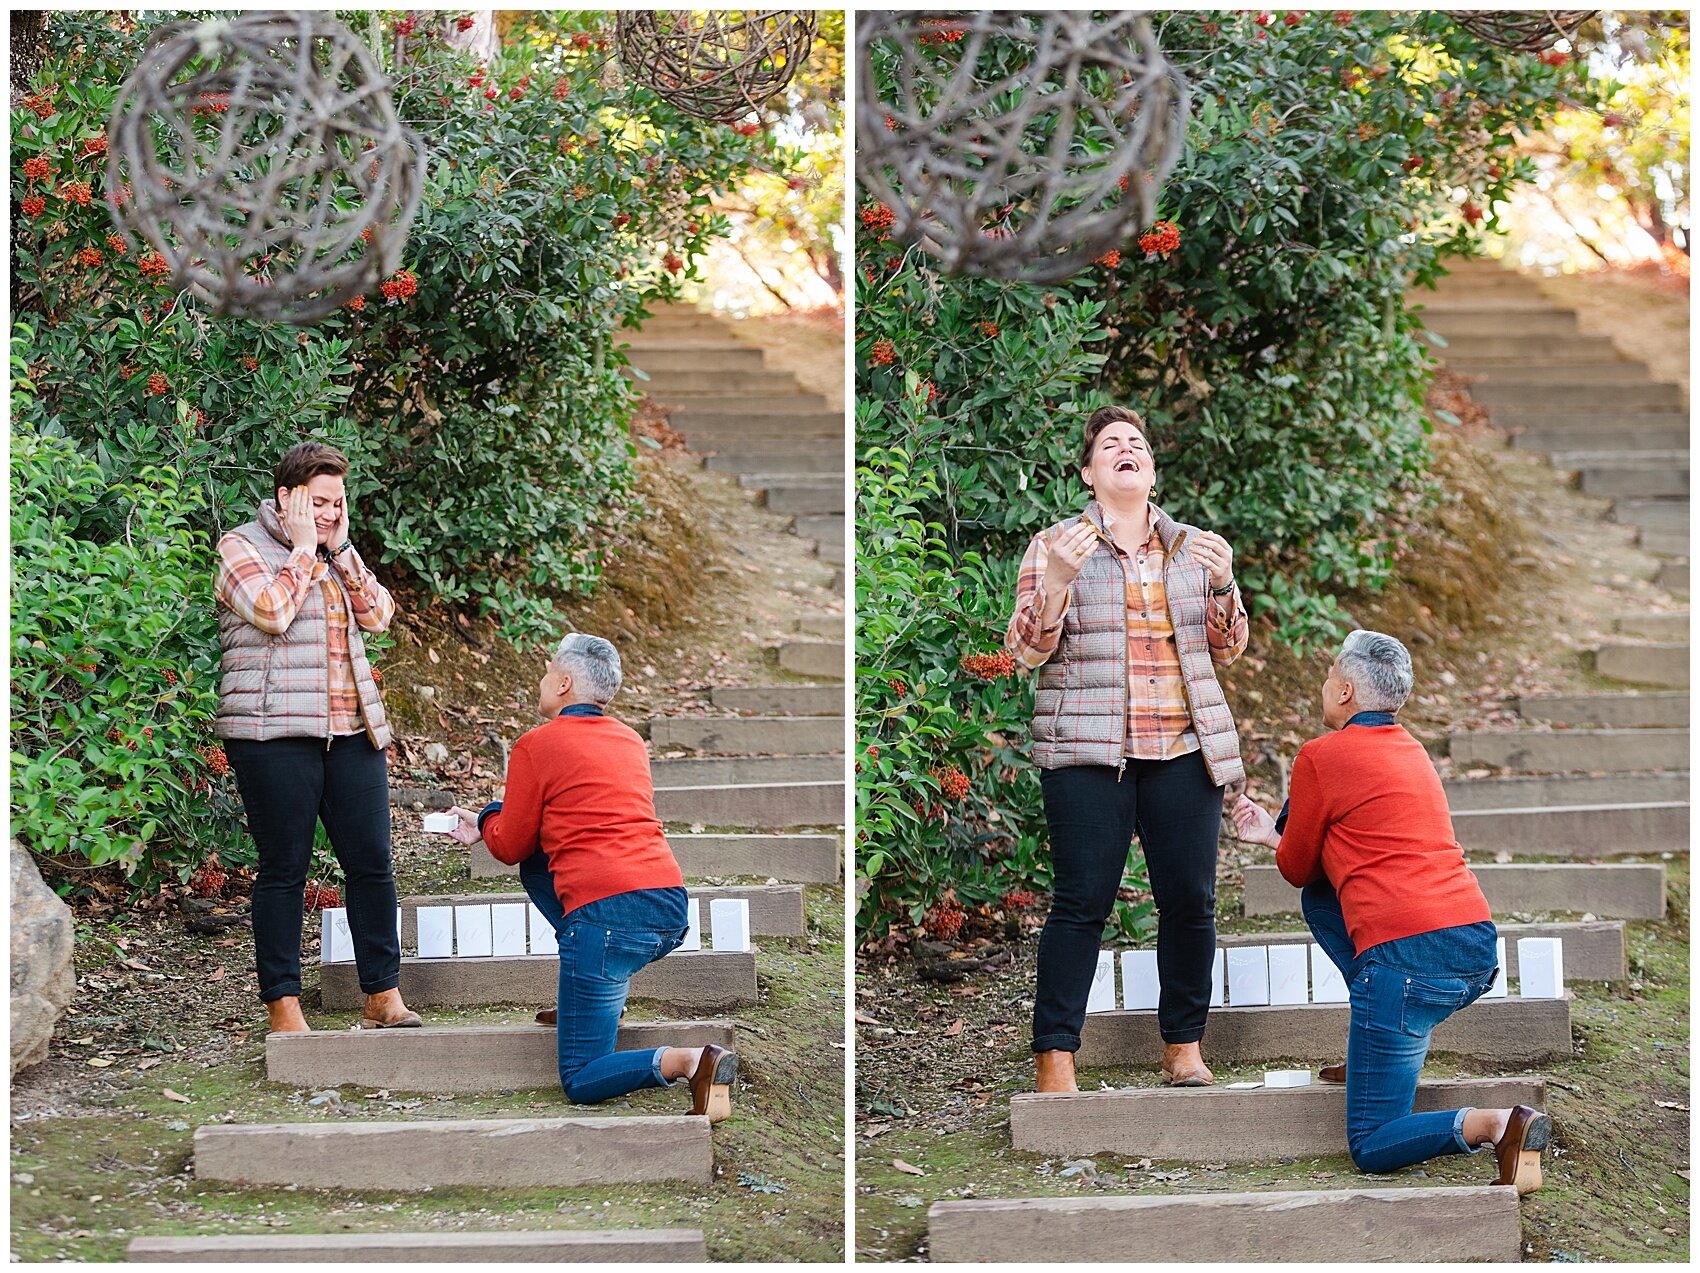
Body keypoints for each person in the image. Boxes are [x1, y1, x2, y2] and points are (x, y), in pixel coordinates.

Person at [1230, 629, 1550, 1193]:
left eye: (1330, 675)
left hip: (1407, 965)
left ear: (1347, 690)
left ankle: (1495, 1124)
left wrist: (1271, 841)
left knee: (1372, 1142)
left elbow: (1298, 867)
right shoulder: (1411, 750)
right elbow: (1362, 839)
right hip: (1472, 949)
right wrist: (1271, 834)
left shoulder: (1321, 755)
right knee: (1324, 899)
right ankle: (1371, 1048)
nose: (1325, 683)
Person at [1006, 405, 1248, 1092]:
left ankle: (1183, 1048)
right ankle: (1055, 1056)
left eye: (1136, 443)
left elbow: (1229, 649)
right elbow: (1023, 652)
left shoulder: (1195, 548)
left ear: (1149, 469)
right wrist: (1054, 582)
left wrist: (1227, 583)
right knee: (1081, 900)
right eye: (1110, 444)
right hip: (1087, 752)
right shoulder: (1054, 545)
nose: (1126, 449)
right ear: (1089, 472)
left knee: (1191, 900)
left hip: (1181, 747)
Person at [448, 633, 737, 1121]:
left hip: (606, 920)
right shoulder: (629, 739)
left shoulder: (536, 744)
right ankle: (588, 999)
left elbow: (511, 843)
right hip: (667, 906)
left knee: (581, 1076)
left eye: (546, 671)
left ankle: (690, 1061)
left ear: (563, 682)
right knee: (541, 864)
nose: (541, 679)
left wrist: (485, 821)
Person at [215, 440, 420, 1035]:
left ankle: (382, 994)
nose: (330, 513)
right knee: (285, 868)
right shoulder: (240, 548)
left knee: (373, 863)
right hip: (272, 734)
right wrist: (305, 551)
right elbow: (271, 612)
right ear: (287, 497)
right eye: (320, 502)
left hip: (351, 730)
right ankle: (284, 1006)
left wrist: (342, 549)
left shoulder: (334, 552)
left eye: (338, 503)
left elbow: (379, 615)